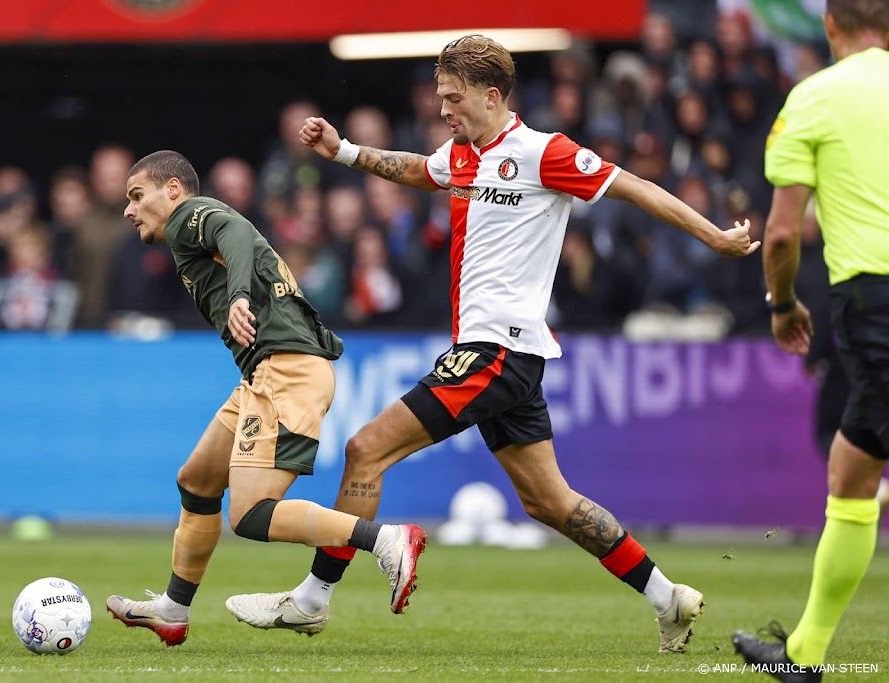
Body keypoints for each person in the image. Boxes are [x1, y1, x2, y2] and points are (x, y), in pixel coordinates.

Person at [225, 34, 760, 653]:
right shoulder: (461, 153)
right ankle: (668, 596)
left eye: (453, 99)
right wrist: (342, 151)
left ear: (493, 94)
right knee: (549, 501)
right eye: (439, 97)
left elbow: (635, 186)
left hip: (496, 351)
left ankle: (313, 599)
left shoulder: (543, 153)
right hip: (510, 356)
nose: (443, 109)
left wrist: (713, 235)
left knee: (366, 449)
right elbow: (411, 169)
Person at [104, 150, 427, 646]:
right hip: (266, 372)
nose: (129, 209)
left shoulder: (191, 213)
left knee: (251, 516)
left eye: (136, 195)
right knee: (197, 482)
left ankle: (385, 540)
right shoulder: (183, 237)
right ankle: (173, 608)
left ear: (172, 190)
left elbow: (233, 231)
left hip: (286, 370)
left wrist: (237, 295)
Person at [732, 3, 889, 681]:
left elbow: (785, 234)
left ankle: (806, 654)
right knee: (854, 464)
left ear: (828, 24)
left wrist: (782, 304)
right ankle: (803, 652)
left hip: (874, 301)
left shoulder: (815, 98)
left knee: (854, 471)